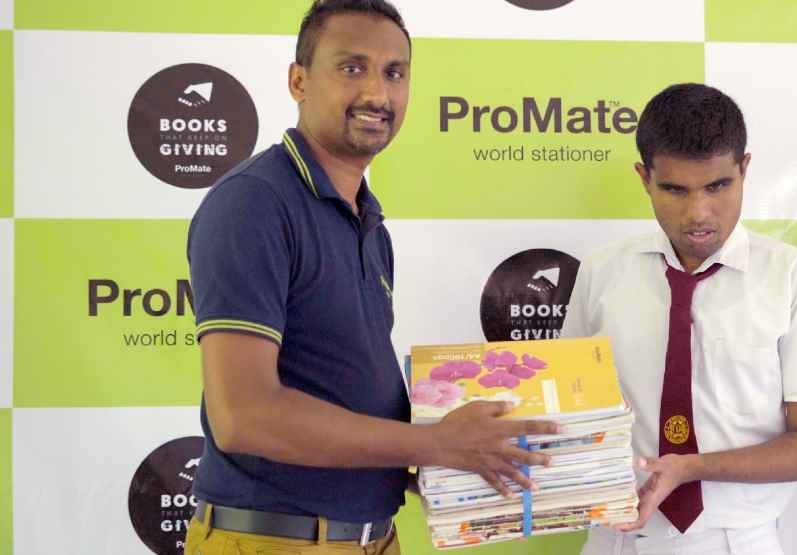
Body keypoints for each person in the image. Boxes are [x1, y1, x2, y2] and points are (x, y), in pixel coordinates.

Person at [183, 2, 558, 554]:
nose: (378, 95)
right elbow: (245, 417)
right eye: (352, 67)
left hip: (372, 537)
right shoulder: (255, 203)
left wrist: (445, 459)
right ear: (298, 80)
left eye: (394, 73)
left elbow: (338, 387)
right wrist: (434, 442)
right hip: (277, 542)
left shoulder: (367, 220)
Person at [561, 83, 797, 555]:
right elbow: (566, 414)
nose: (698, 213)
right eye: (674, 189)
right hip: (616, 539)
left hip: (738, 541)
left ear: (745, 169)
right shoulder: (601, 272)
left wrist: (689, 467)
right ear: (643, 177)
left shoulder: (793, 276)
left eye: (718, 186)